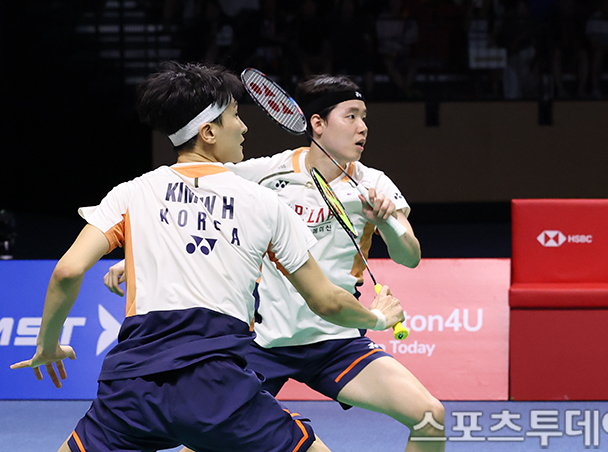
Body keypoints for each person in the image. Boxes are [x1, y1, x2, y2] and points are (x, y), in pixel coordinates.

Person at [9, 61, 405, 452]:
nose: (244, 127)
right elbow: (327, 301)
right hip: (220, 389)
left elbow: (67, 271)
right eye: (235, 116)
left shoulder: (131, 192)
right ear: (208, 132)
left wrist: (47, 345)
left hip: (131, 389)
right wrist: (376, 317)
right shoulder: (265, 203)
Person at [106, 74, 446, 451]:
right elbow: (188, 194)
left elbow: (409, 256)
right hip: (263, 343)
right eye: (351, 116)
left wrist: (386, 222)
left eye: (364, 117)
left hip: (335, 341)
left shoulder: (375, 184)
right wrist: (144, 253)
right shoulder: (267, 172)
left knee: (429, 416)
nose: (362, 127)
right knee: (200, 444)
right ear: (317, 123)